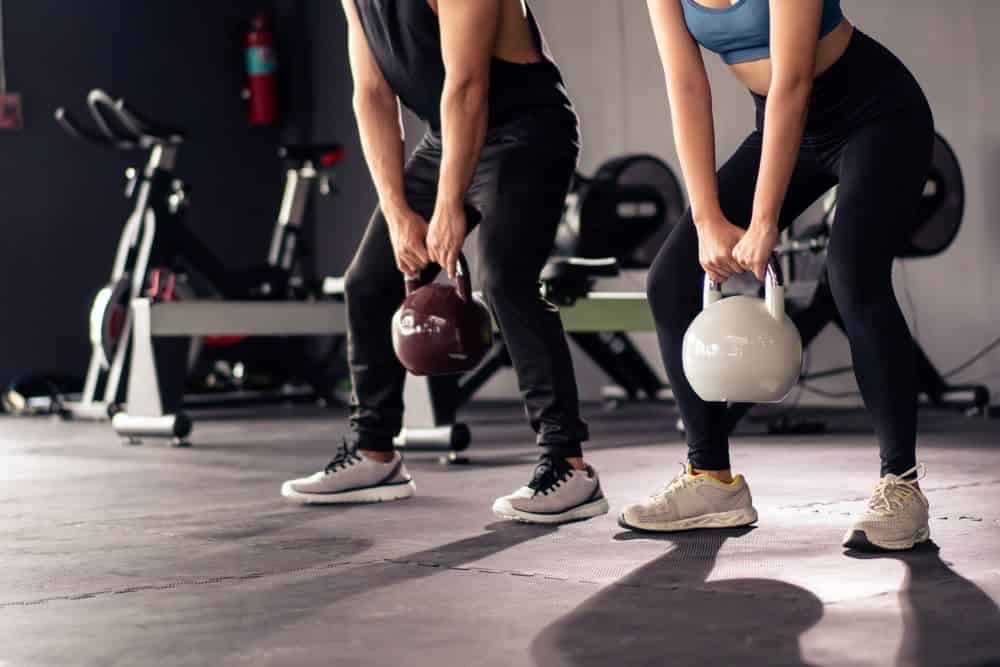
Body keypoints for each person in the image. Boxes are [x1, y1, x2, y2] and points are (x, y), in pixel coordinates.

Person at [620, 0, 934, 551]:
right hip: (781, 125)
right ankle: (711, 479)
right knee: (671, 279)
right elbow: (687, 88)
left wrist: (764, 221)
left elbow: (792, 81)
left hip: (876, 115)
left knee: (852, 273)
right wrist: (707, 216)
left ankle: (901, 486)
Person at [282, 0, 610, 525]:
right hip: (447, 137)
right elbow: (370, 95)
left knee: (505, 281)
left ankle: (568, 464)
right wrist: (396, 211)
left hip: (525, 132)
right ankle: (374, 453)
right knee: (368, 283)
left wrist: (448, 204)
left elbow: (467, 86)